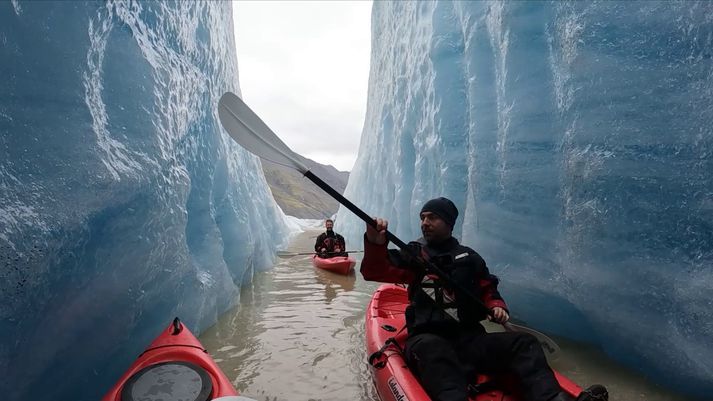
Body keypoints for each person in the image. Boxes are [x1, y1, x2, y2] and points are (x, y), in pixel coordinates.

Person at [361, 197, 607, 401]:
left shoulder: (469, 257)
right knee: (433, 349)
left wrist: (496, 307)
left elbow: (488, 288)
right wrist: (375, 241)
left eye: (432, 217)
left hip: (469, 340)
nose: (425, 223)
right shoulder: (414, 254)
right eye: (422, 218)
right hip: (427, 338)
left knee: (523, 342)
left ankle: (553, 399)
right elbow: (375, 270)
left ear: (448, 222)